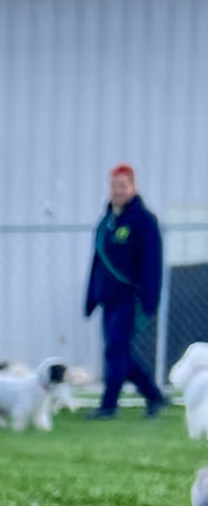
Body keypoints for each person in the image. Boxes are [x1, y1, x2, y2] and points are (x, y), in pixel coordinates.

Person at [83, 163, 165, 418]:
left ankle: (108, 406)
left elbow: (152, 262)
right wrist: (90, 298)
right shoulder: (106, 222)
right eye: (114, 186)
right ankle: (154, 396)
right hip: (107, 298)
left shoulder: (143, 221)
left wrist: (150, 298)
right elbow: (97, 262)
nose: (117, 191)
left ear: (133, 187)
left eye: (123, 186)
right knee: (118, 352)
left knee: (116, 349)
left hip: (131, 298)